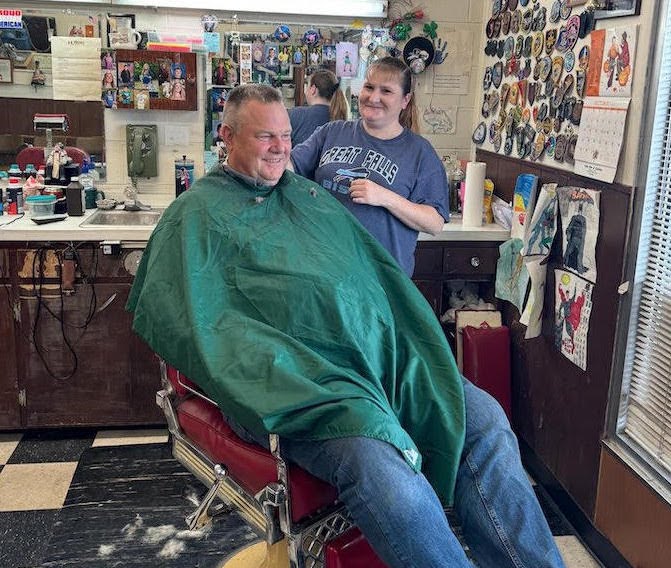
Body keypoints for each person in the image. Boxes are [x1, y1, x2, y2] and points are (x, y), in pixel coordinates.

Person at [127, 84, 565, 568]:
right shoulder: (195, 214)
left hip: (374, 359)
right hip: (295, 383)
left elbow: (368, 279)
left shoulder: (306, 196)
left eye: (286, 137)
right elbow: (199, 324)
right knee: (385, 468)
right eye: (265, 137)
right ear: (227, 136)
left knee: (484, 422)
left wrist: (389, 338)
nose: (280, 149)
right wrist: (286, 363)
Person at [291, 57, 446, 276]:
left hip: (380, 283)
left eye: (386, 91)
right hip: (323, 273)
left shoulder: (420, 152)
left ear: (405, 100)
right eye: (369, 87)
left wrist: (385, 197)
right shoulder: (332, 132)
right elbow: (290, 166)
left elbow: (435, 223)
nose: (374, 97)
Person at [288, 69, 347, 146]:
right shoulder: (342, 120)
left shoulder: (295, 115)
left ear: (313, 90)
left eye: (307, 86)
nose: (305, 92)